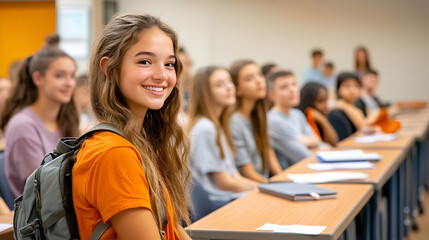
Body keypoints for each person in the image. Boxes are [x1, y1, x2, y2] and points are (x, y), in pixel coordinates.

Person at [72, 14, 192, 240]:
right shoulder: (115, 153)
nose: (161, 75)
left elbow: (172, 229)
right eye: (145, 61)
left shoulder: (139, 141)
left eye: (169, 64)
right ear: (109, 68)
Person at [1, 47, 79, 197]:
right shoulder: (22, 125)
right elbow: (44, 188)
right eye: (60, 76)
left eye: (72, 76)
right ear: (38, 78)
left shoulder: (66, 121)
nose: (69, 83)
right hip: (40, 215)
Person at [188, 66, 258, 204]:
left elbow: (235, 176)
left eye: (229, 81)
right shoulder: (205, 128)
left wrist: (263, 188)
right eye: (220, 85)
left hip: (228, 198)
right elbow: (224, 183)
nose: (229, 88)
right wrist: (261, 189)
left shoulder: (217, 125)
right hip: (217, 203)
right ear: (205, 93)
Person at [229, 60, 282, 183]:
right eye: (249, 79)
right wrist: (275, 185)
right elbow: (247, 172)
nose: (259, 81)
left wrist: (282, 178)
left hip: (264, 182)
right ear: (237, 90)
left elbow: (268, 150)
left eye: (259, 75)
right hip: (252, 186)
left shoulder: (258, 115)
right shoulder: (234, 121)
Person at [267, 71, 320, 169]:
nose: (292, 90)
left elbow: (317, 141)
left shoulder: (297, 114)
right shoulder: (273, 120)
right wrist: (304, 140)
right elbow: (303, 155)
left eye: (294, 84)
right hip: (292, 173)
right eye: (284, 87)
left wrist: (298, 139)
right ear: (272, 95)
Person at [329, 72, 380, 140]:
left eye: (356, 86)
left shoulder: (355, 106)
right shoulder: (339, 105)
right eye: (347, 86)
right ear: (338, 89)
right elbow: (363, 125)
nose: (352, 90)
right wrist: (375, 113)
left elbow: (363, 127)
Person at [297, 82, 338, 146]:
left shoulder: (320, 118)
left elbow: (334, 142)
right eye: (320, 101)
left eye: (326, 101)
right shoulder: (301, 120)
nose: (325, 106)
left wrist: (323, 120)